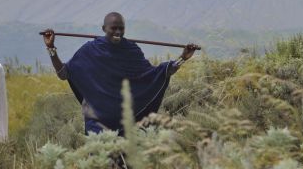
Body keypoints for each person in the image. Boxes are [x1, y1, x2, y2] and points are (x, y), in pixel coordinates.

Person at [42, 12, 199, 135]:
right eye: (113, 28)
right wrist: (51, 48)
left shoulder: (131, 51)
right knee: (99, 168)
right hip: (97, 125)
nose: (118, 32)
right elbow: (63, 73)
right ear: (104, 29)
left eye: (121, 28)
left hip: (126, 124)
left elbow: (155, 74)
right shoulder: (90, 51)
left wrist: (182, 58)